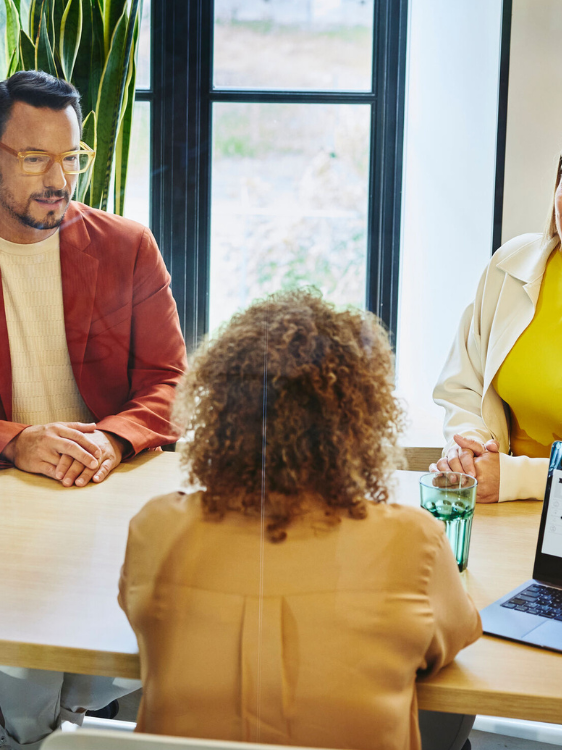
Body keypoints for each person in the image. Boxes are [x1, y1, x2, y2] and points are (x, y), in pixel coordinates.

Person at [119, 289, 481, 750]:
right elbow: (454, 638)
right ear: (362, 420)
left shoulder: (156, 527)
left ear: (220, 413)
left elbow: (141, 618)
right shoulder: (414, 542)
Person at [0, 71, 187, 749]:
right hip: (7, 507)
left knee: (126, 663)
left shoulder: (125, 246)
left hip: (104, 504)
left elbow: (169, 379)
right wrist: (16, 440)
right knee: (24, 676)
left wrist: (111, 440)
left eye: (71, 158)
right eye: (33, 158)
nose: (58, 179)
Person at [433, 108, 562, 503]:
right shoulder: (510, 263)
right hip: (494, 503)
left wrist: (516, 479)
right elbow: (463, 383)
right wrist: (469, 449)